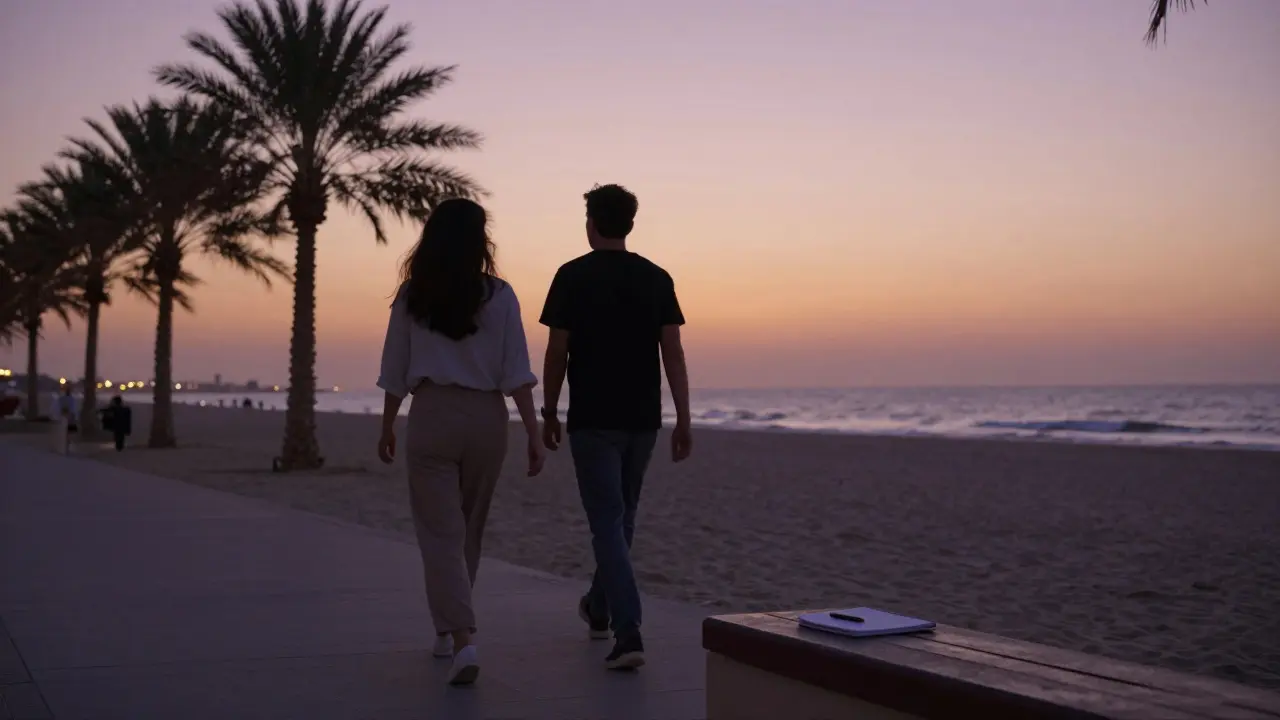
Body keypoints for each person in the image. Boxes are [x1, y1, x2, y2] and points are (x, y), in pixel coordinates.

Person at [376, 198, 544, 686]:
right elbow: (516, 372)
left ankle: (463, 635)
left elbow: (395, 369)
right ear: (480, 239)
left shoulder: (413, 295)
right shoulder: (501, 294)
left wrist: (388, 424)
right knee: (465, 530)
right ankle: (450, 630)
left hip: (432, 415)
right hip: (487, 420)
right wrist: (532, 432)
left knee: (440, 533)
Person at [539, 184, 693, 671]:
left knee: (610, 520)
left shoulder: (570, 277)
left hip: (593, 420)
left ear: (591, 223)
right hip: (643, 419)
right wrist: (683, 417)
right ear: (629, 223)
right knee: (620, 518)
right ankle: (599, 606)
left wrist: (548, 410)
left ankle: (628, 631)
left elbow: (557, 352)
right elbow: (673, 353)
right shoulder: (656, 278)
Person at [56, 385, 78, 454]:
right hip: (69, 416)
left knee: (66, 431)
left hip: (65, 416)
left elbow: (59, 407)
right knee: (68, 432)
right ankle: (67, 444)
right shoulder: (71, 399)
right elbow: (73, 409)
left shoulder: (62, 399)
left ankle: (66, 444)